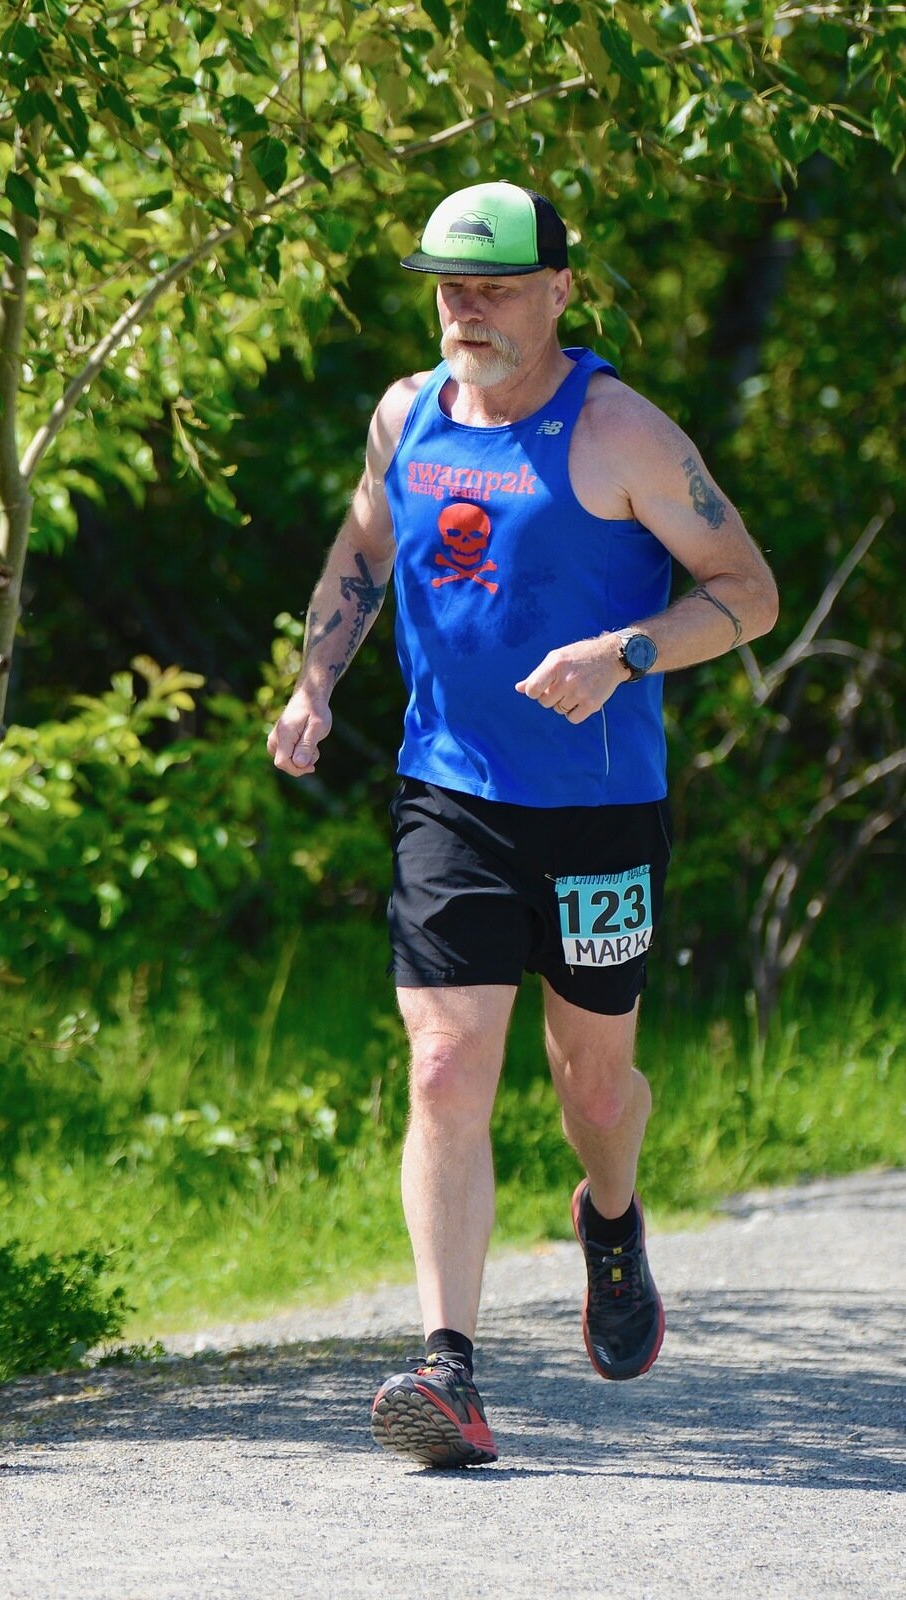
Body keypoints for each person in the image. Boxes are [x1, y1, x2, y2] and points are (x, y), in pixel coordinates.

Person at [267, 180, 778, 1469]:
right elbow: (362, 552)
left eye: (493, 287)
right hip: (451, 794)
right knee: (444, 1067)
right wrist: (315, 680)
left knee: (593, 1085)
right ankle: (447, 1370)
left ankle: (611, 1217)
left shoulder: (619, 432)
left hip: (600, 810)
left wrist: (626, 651)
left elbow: (750, 592)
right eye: (450, 286)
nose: (467, 310)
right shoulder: (409, 414)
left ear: (559, 290)